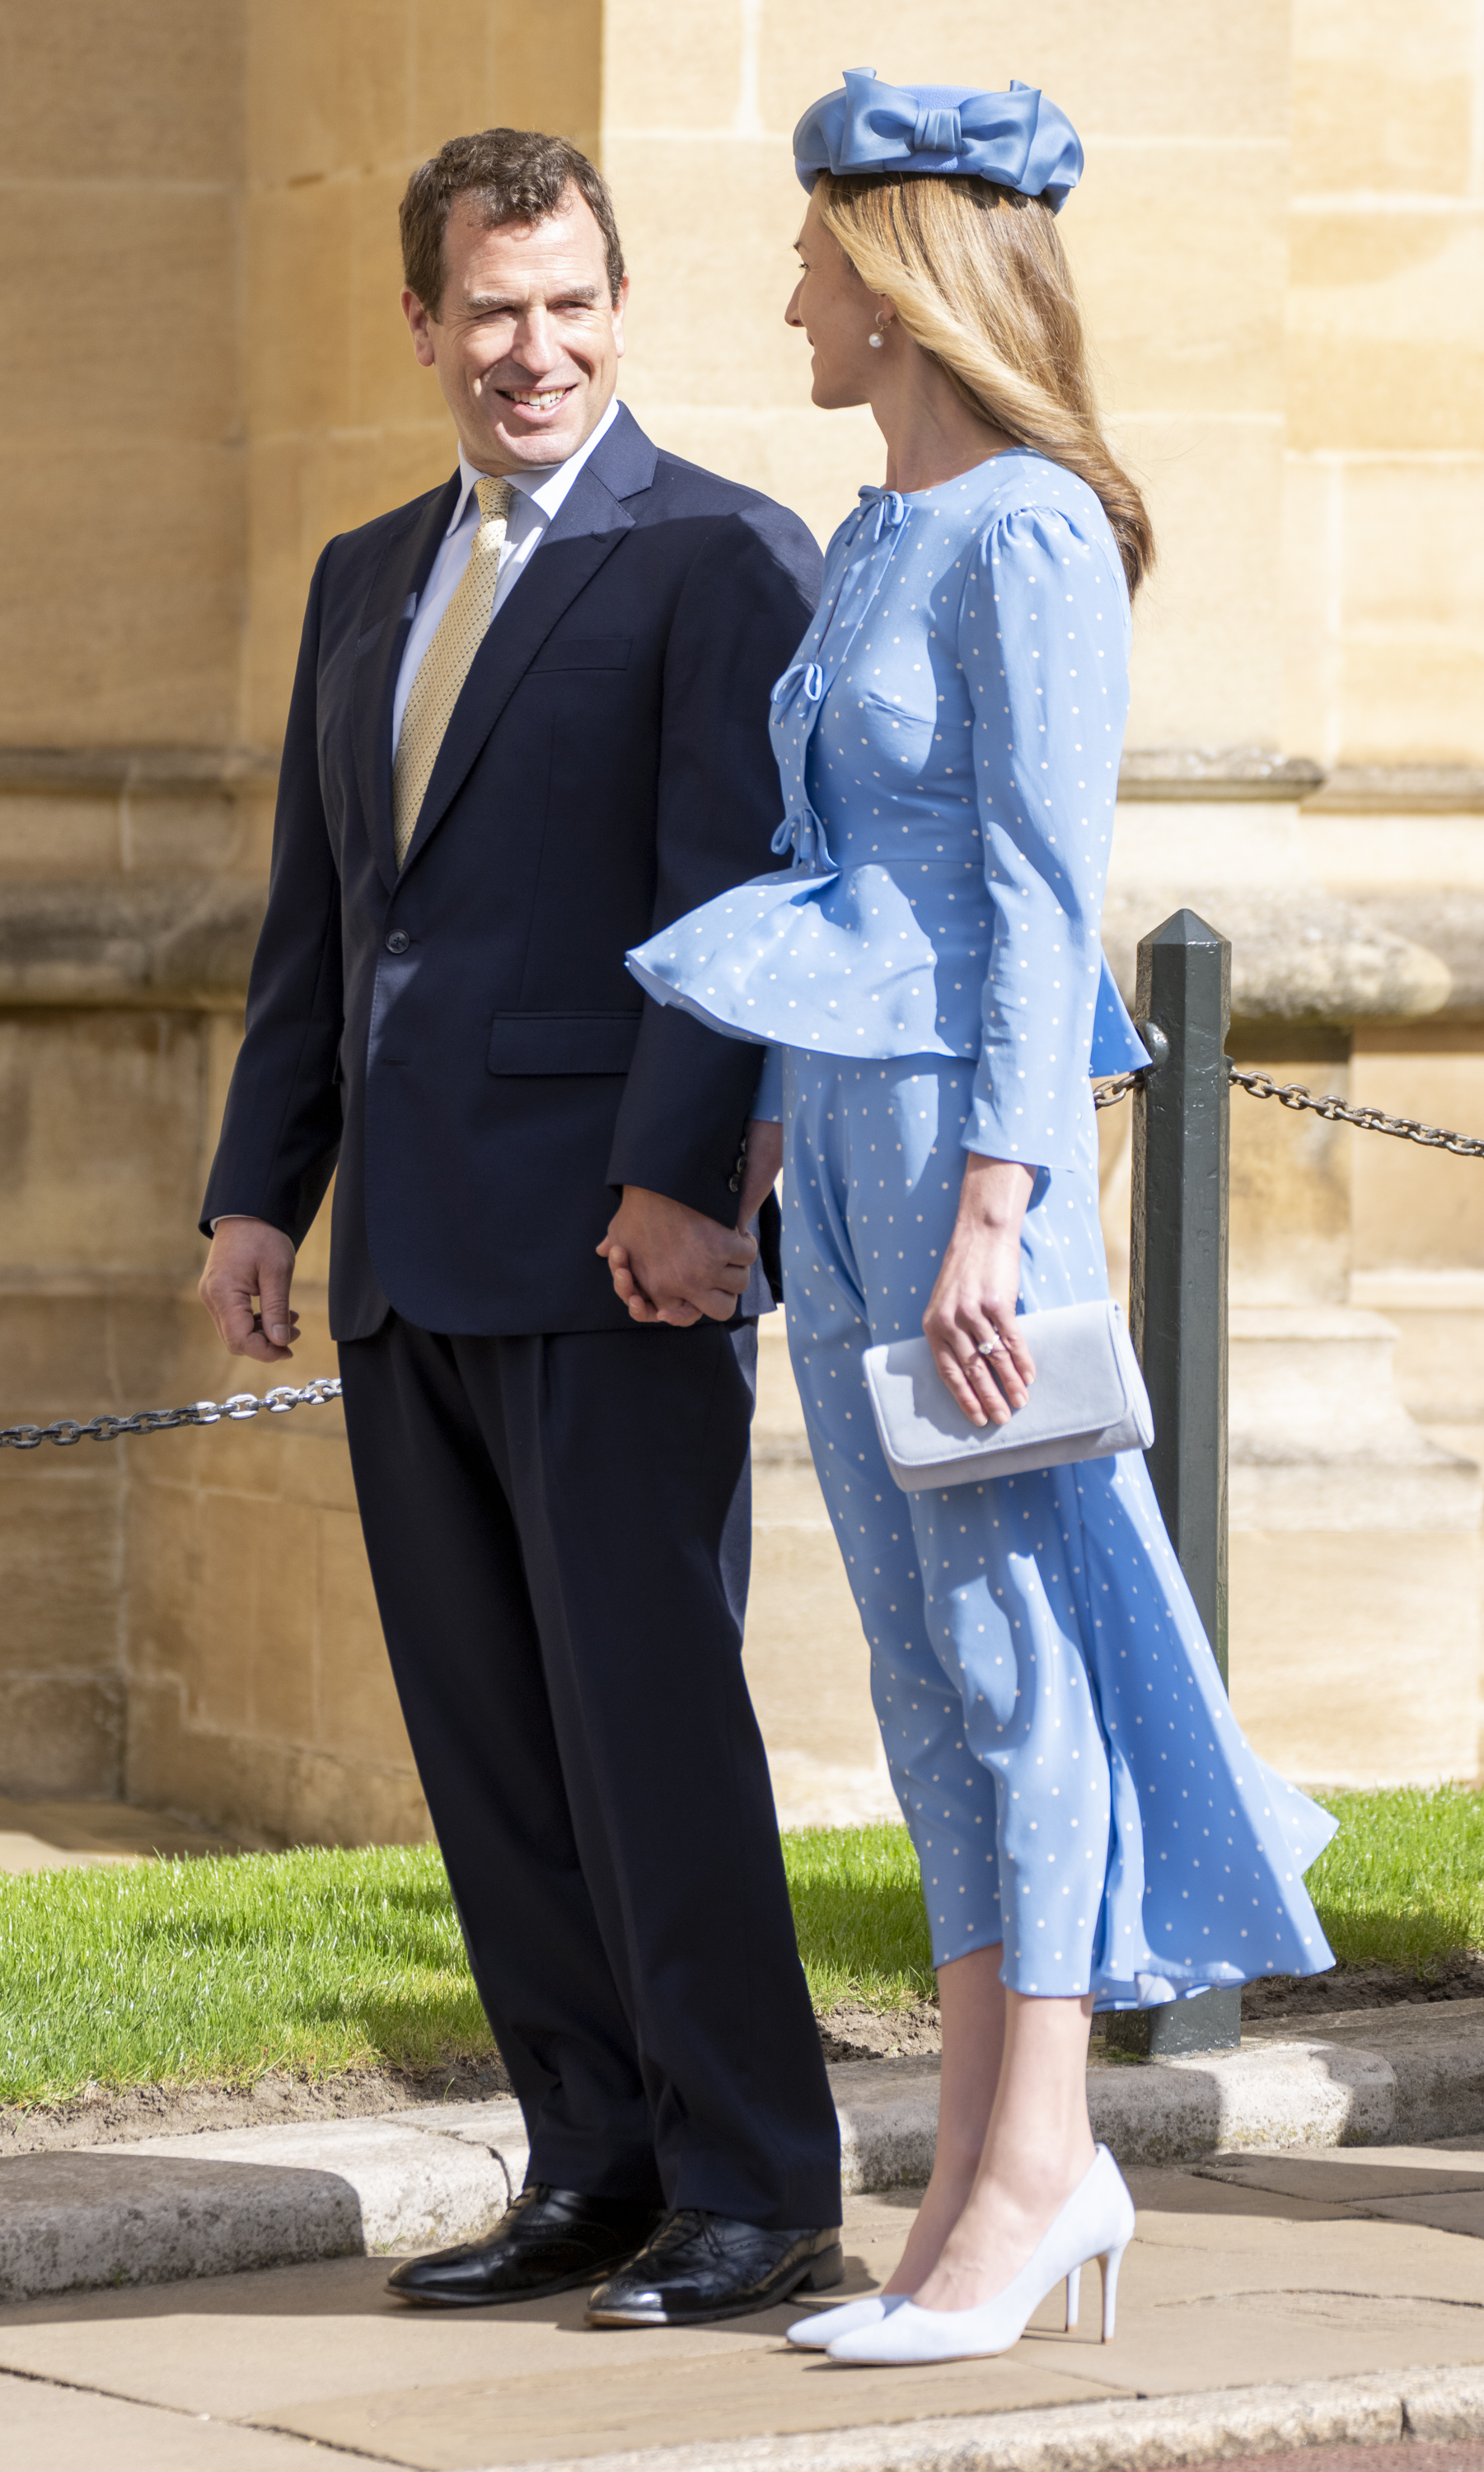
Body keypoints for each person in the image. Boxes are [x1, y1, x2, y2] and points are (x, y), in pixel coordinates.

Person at [616, 70, 1338, 2366]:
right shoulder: (882, 529)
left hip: (961, 1162)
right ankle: (978, 2175)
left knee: (1014, 1657)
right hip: (847, 1146)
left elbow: (1039, 901)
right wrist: (758, 1135)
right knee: (922, 1672)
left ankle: (1035, 2169)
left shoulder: (1030, 533)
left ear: (908, 280)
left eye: (817, 258)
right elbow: (837, 876)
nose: (793, 298)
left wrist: (996, 1214)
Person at [195, 125, 845, 2330]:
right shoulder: (362, 573)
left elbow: (739, 899)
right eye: (490, 309)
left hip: (612, 1254)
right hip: (405, 1258)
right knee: (490, 1756)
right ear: (422, 320)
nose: (533, 348)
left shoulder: (719, 555)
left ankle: (758, 2186)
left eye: (570, 304)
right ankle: (592, 2164)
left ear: (620, 306)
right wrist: (257, 1191)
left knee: (647, 1734)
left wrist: (684, 1180)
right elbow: (325, 917)